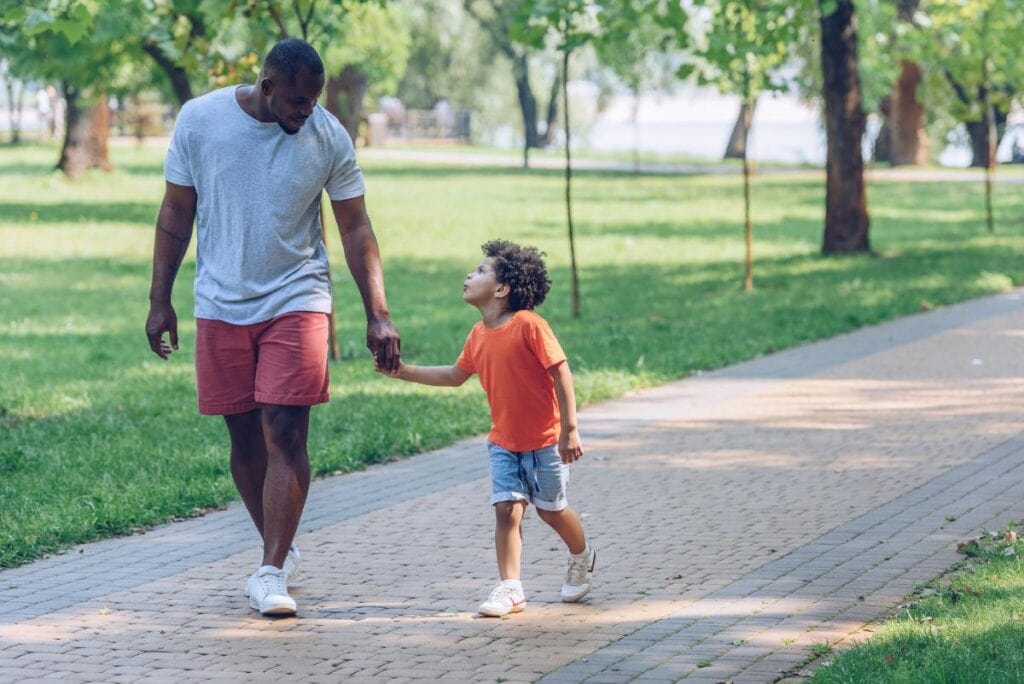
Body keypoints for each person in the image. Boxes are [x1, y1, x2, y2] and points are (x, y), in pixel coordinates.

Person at [144, 38, 400, 617]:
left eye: (312, 101)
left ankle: (268, 570)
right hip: (221, 301)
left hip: (297, 295)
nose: (305, 112)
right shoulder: (201, 120)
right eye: (295, 101)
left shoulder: (327, 135)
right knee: (244, 441)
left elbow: (356, 228)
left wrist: (377, 314)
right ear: (266, 87)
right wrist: (159, 299)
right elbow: (175, 212)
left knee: (285, 430)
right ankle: (278, 550)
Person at [384, 240, 595, 617]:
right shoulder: (478, 334)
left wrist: (570, 430)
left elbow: (560, 371)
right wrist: (403, 371)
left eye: (481, 271)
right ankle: (511, 588)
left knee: (552, 511)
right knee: (507, 510)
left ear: (502, 289)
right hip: (504, 442)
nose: (470, 275)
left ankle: (581, 555)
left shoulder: (529, 325)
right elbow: (453, 376)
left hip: (547, 441)